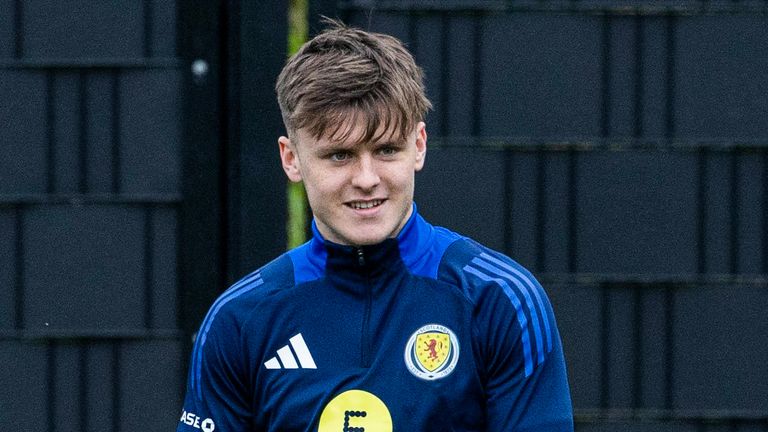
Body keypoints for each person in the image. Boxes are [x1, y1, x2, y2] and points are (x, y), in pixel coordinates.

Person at [177, 20, 573, 432]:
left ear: (418, 145)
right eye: (339, 156)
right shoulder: (239, 321)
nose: (366, 178)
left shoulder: (501, 301)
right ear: (291, 158)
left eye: (385, 149)